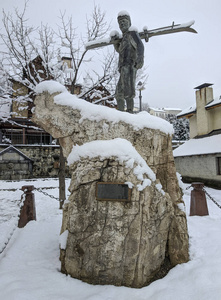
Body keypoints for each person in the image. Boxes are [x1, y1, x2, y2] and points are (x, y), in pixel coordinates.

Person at [114, 12, 144, 113]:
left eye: (124, 21)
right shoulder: (123, 38)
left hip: (130, 65)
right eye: (120, 23)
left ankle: (130, 112)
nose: (122, 24)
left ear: (129, 23)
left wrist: (140, 57)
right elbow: (120, 50)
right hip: (122, 67)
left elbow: (140, 45)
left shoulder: (132, 33)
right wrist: (115, 43)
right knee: (119, 93)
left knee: (128, 91)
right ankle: (121, 113)